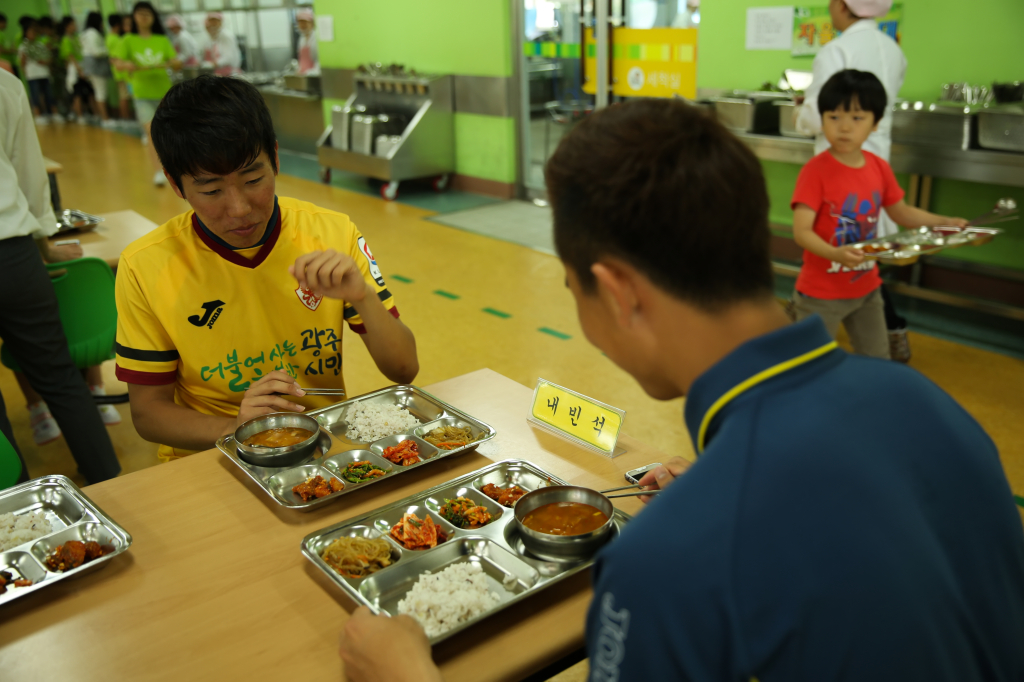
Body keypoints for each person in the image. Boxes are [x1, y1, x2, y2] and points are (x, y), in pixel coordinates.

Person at [338, 98, 1024, 681]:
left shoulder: (664, 560)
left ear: (618, 292)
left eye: (575, 291)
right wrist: (725, 481)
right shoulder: (929, 406)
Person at [114, 75, 418, 462]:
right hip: (211, 456)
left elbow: (404, 369)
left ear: (274, 157)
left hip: (319, 450)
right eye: (211, 191)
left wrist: (363, 297)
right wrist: (237, 429)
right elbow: (147, 413)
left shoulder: (332, 233)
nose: (239, 208)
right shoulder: (145, 264)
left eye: (253, 179)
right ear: (177, 185)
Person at [792, 70, 966, 359]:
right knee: (809, 365)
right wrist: (834, 254)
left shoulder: (878, 167)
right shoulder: (815, 171)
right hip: (820, 293)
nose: (844, 128)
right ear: (822, 119)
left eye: (857, 118)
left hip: (866, 289)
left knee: (877, 360)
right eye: (834, 117)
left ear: (876, 123)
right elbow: (801, 232)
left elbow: (902, 212)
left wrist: (945, 223)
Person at [0, 68, 121, 484]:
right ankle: (106, 476)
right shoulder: (5, 84)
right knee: (59, 375)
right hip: (13, 251)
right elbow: (30, 179)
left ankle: (13, 501)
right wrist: (45, 246)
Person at [795, 0, 913, 359]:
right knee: (860, 247)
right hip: (871, 157)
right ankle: (889, 329)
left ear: (842, 6)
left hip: (840, 160)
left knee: (841, 248)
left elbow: (818, 115)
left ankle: (811, 317)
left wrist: (801, 113)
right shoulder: (893, 50)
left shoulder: (836, 49)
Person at [111, 1, 180, 186]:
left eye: (147, 13)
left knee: (170, 132)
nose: (144, 17)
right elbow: (117, 62)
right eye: (140, 13)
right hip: (141, 93)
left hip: (164, 91)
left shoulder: (162, 40)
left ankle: (175, 168)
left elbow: (175, 61)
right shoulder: (128, 40)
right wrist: (127, 65)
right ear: (133, 17)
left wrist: (171, 63)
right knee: (151, 132)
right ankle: (159, 171)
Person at [18, 20, 62, 125]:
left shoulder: (40, 44)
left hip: (44, 73)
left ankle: (53, 113)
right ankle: (38, 115)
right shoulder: (23, 46)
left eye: (34, 32)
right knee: (35, 95)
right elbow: (22, 62)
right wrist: (25, 73)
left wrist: (46, 62)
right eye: (30, 32)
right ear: (26, 33)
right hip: (32, 75)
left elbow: (49, 56)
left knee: (49, 94)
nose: (33, 34)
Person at [58, 16, 97, 125]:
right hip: (76, 71)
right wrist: (78, 70)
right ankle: (79, 116)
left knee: (90, 92)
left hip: (83, 68)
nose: (75, 27)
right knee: (77, 94)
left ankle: (94, 114)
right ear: (67, 26)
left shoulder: (76, 37)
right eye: (73, 25)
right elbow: (70, 57)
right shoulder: (66, 40)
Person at [80, 11, 115, 128]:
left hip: (92, 66)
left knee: (98, 92)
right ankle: (105, 119)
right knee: (101, 92)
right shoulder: (92, 33)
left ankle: (102, 117)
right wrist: (108, 50)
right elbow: (96, 51)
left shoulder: (86, 33)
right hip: (96, 66)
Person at [106, 13, 132, 124]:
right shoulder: (118, 39)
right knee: (124, 96)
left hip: (121, 72)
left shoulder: (111, 37)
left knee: (125, 96)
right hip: (123, 72)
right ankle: (126, 119)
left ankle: (126, 118)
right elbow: (114, 58)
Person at [295, 9, 318, 75]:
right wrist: (299, 70)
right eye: (300, 22)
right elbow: (302, 60)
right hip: (304, 77)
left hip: (313, 76)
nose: (302, 25)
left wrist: (309, 73)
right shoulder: (301, 38)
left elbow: (319, 62)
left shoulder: (316, 38)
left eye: (305, 22)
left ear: (312, 23)